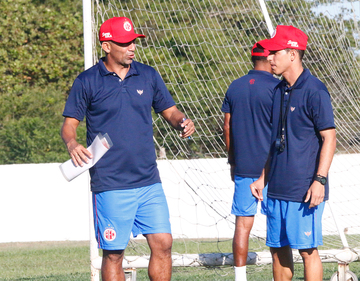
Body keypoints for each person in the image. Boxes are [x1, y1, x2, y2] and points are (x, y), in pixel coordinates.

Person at [61, 17, 195, 281]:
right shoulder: (87, 81)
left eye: (134, 40)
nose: (132, 46)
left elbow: (168, 110)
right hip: (110, 183)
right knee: (113, 255)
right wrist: (72, 142)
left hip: (148, 181)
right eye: (125, 43)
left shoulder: (148, 75)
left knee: (163, 243)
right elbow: (69, 125)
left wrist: (181, 120)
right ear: (107, 46)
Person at [251, 25, 336, 281]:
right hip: (275, 187)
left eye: (275, 52)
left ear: (292, 54)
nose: (269, 57)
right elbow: (275, 141)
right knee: (277, 250)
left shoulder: (315, 90)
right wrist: (263, 177)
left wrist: (319, 180)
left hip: (304, 189)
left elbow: (329, 138)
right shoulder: (277, 91)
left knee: (308, 251)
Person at [221, 41, 280, 281]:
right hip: (273, 168)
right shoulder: (278, 88)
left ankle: (240, 277)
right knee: (277, 225)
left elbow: (227, 126)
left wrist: (232, 160)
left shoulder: (234, 87)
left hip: (244, 167)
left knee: (242, 225)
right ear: (268, 58)